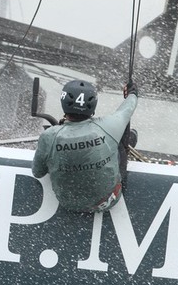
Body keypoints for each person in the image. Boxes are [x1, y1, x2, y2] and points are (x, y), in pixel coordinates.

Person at [32, 79, 139, 212]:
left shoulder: (48, 136)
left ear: (63, 103)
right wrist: (132, 93)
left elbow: (38, 172)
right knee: (128, 137)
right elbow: (127, 108)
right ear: (93, 105)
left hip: (69, 205)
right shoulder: (109, 126)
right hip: (109, 201)